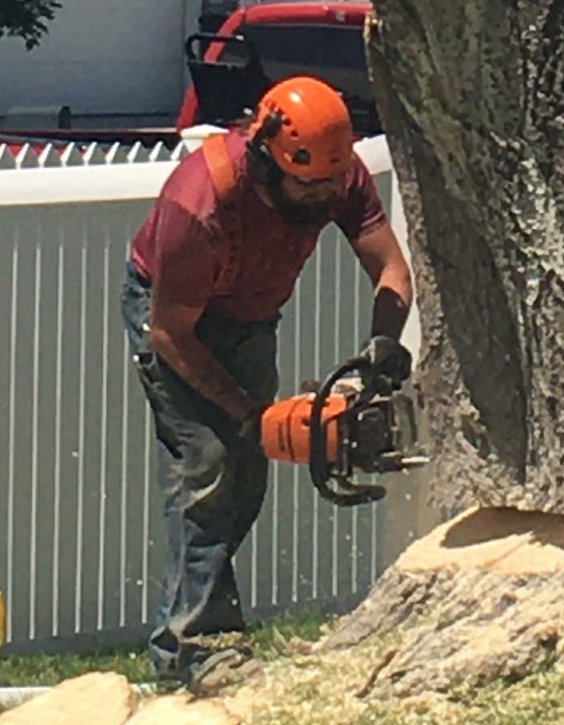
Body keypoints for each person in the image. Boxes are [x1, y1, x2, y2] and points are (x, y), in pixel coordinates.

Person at [123, 74, 413, 690]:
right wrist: (248, 412)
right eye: (306, 186)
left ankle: (184, 642)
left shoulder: (337, 175)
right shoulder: (200, 203)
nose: (322, 197)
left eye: (331, 182)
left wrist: (382, 348)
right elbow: (170, 332)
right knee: (208, 465)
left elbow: (390, 268)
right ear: (265, 159)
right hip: (173, 318)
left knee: (246, 475)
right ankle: (197, 648)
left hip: (251, 317)